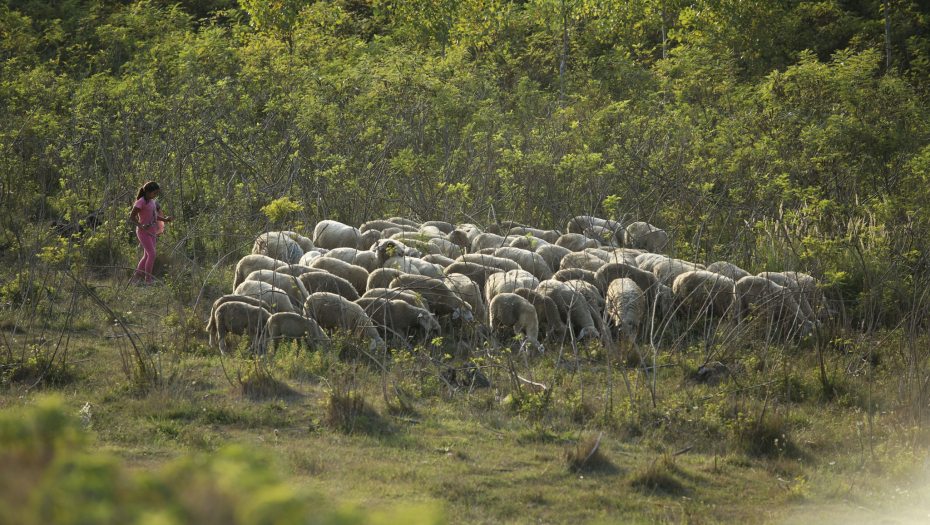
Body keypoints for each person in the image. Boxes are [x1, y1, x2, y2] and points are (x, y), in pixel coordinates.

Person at [128, 181, 173, 285]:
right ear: (147, 192)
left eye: (156, 193)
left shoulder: (152, 201)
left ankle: (135, 278)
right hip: (143, 233)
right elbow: (132, 217)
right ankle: (148, 279)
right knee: (152, 254)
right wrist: (141, 225)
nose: (155, 195)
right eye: (154, 193)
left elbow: (154, 216)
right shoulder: (141, 201)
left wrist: (165, 220)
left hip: (152, 232)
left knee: (147, 256)